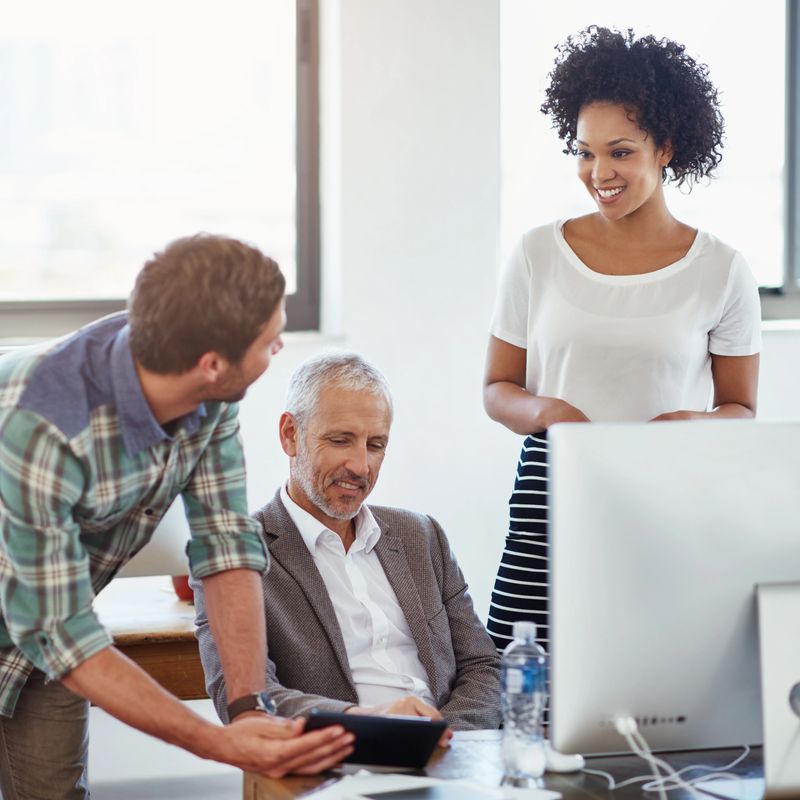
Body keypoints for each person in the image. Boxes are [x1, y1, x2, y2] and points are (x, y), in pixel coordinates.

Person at [0, 235, 353, 800]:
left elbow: (227, 548)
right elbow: (59, 632)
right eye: (270, 341)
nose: (279, 345)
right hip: (45, 618)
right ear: (211, 363)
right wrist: (216, 744)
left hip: (45, 628)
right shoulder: (45, 424)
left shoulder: (209, 395)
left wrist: (246, 711)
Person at [484, 27, 761, 654]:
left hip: (666, 498)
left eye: (620, 152)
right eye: (584, 153)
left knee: (657, 679)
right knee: (524, 682)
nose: (599, 173)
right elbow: (497, 388)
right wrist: (548, 413)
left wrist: (693, 425)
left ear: (665, 148)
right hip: (548, 493)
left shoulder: (721, 268)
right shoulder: (537, 254)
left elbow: (742, 410)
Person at [194, 352, 501, 739]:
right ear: (291, 435)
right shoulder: (233, 554)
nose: (360, 466)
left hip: (453, 757)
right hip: (337, 762)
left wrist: (441, 740)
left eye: (376, 445)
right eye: (341, 441)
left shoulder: (421, 536)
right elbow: (246, 698)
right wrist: (372, 728)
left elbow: (482, 665)